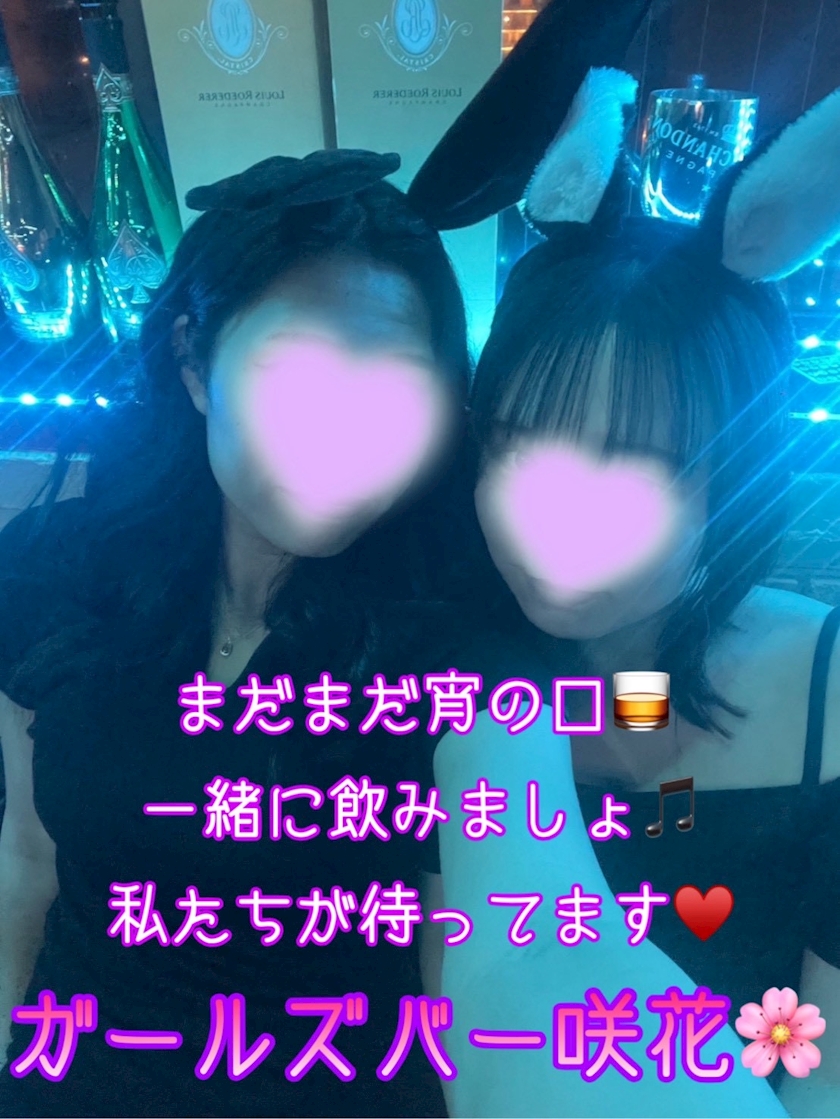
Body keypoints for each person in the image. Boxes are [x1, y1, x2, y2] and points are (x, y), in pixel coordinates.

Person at [408, 2, 840, 1113]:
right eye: (517, 445)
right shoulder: (446, 672)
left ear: (738, 481)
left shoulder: (828, 691)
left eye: (639, 463)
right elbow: (457, 1029)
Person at [0, 149, 473, 1118]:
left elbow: (455, 958)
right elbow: (30, 856)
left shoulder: (444, 637)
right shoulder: (57, 569)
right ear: (193, 360)